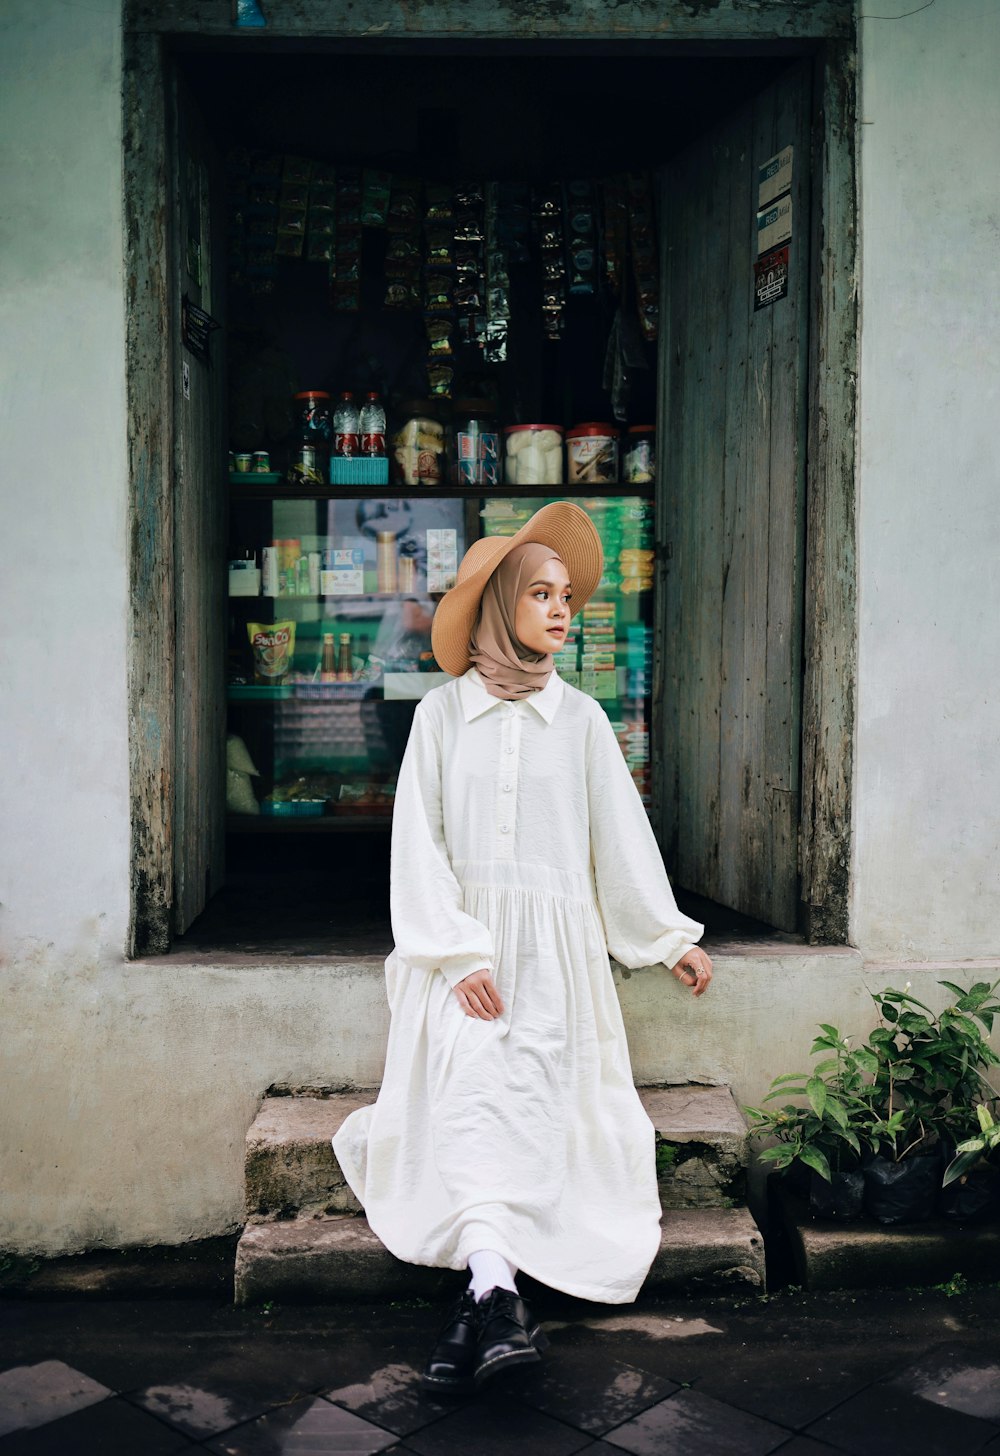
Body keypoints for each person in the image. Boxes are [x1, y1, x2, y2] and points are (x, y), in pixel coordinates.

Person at [333, 501, 713, 1396]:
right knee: (468, 1095)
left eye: (568, 597)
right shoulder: (439, 718)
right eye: (539, 593)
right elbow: (417, 847)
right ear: (499, 605)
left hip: (558, 963)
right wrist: (458, 956)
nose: (558, 610)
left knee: (540, 1101)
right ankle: (498, 1300)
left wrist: (666, 938)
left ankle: (487, 1297)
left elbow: (618, 840)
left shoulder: (579, 719)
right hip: (460, 959)